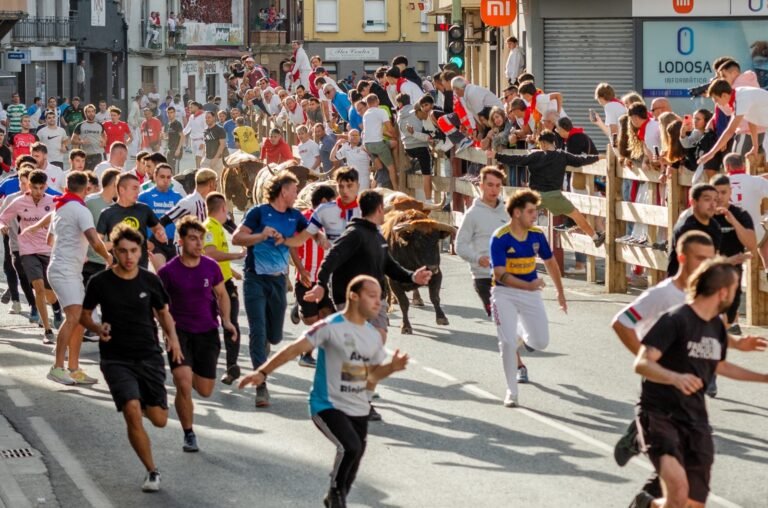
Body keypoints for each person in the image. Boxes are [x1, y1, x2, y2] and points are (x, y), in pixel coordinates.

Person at [240, 275, 409, 508]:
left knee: (356, 455)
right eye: (372, 296)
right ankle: (336, 495)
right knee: (350, 447)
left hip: (358, 407)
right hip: (327, 405)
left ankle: (335, 498)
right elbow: (293, 349)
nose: (378, 302)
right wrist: (263, 372)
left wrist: (390, 368)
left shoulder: (372, 334)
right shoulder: (330, 326)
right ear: (353, 296)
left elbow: (371, 375)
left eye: (380, 297)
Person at [633, 258, 768, 508]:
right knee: (678, 492)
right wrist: (675, 377)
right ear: (723, 291)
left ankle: (647, 504)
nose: (737, 291)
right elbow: (642, 363)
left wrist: (764, 378)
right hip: (660, 415)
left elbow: (719, 365)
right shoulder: (675, 320)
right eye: (737, 285)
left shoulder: (716, 326)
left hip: (695, 420)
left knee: (693, 504)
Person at [304, 190, 432, 421]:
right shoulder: (354, 234)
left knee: (377, 341)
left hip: (376, 301)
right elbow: (331, 258)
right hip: (352, 301)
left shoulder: (376, 236)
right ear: (380, 209)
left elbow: (389, 266)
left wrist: (413, 277)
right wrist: (321, 284)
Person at [80, 224, 182, 493]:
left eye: (133, 251)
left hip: (148, 355)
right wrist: (96, 328)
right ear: (113, 251)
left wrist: (172, 338)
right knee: (131, 410)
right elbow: (84, 315)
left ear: (140, 252)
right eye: (122, 251)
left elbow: (163, 313)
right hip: (115, 357)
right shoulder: (99, 282)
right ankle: (151, 471)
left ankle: (144, 402)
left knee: (159, 419)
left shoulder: (150, 281)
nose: (128, 256)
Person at [232, 170, 312, 408]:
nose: (297, 193)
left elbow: (296, 244)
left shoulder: (294, 216)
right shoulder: (258, 213)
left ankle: (264, 346)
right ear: (283, 191)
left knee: (274, 335)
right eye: (294, 189)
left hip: (278, 280)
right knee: (258, 329)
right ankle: (261, 384)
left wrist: (302, 270)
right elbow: (237, 238)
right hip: (255, 278)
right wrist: (261, 235)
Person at [158, 216, 235, 452]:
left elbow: (221, 295)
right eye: (193, 238)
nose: (199, 243)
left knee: (204, 390)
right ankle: (188, 433)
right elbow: (160, 306)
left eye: (201, 239)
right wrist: (167, 332)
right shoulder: (168, 272)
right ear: (180, 241)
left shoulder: (210, 266)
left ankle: (189, 385)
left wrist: (228, 322)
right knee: (183, 382)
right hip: (179, 333)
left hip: (207, 332)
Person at [490, 189, 567, 407]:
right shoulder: (500, 237)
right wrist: (528, 284)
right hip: (503, 293)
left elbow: (551, 263)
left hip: (530, 294)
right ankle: (511, 392)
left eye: (536, 211)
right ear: (516, 213)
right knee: (505, 343)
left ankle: (519, 336)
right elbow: (500, 274)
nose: (535, 215)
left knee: (541, 342)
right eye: (531, 211)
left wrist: (560, 293)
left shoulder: (537, 235)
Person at [43, 172, 112, 385]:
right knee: (73, 317)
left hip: (64, 268)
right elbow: (93, 239)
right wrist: (109, 257)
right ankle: (57, 368)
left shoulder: (60, 207)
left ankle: (73, 369)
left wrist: (72, 251)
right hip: (64, 270)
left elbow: (49, 240)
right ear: (87, 188)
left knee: (80, 318)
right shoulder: (80, 209)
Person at [494, 130, 605, 247]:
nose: (540, 146)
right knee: (576, 215)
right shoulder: (562, 155)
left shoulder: (535, 155)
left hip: (535, 196)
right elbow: (580, 160)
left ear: (544, 143)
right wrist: (598, 157)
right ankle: (595, 237)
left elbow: (517, 159)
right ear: (553, 142)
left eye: (540, 144)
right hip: (554, 196)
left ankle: (507, 241)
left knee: (518, 216)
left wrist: (497, 156)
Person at [0, 170, 60, 344]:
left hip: (48, 250)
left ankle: (56, 307)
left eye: (42, 188)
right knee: (39, 288)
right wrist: (2, 225)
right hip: (27, 250)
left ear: (46, 186)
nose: (39, 192)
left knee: (49, 292)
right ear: (29, 186)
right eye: (35, 188)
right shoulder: (19, 202)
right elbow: (2, 217)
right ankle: (47, 330)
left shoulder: (52, 201)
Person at [203, 193, 246, 385]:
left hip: (226, 282)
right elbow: (211, 254)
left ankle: (231, 367)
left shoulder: (218, 227)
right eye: (227, 210)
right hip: (212, 286)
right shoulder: (208, 228)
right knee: (214, 325)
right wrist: (237, 256)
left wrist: (233, 272)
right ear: (222, 209)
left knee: (231, 323)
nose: (228, 214)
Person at [97, 173, 167, 269]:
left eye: (138, 188)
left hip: (141, 269)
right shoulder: (107, 213)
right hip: (116, 270)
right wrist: (113, 249)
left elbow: (157, 228)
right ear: (122, 190)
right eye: (134, 188)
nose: (138, 192)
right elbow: (98, 243)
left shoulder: (144, 209)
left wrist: (160, 233)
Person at [699, 79, 768, 165]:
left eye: (716, 100)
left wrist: (711, 153)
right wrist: (755, 146)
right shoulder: (739, 95)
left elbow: (730, 131)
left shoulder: (741, 99)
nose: (717, 103)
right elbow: (752, 120)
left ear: (724, 95)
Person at [667, 184, 723, 277]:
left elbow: (715, 256)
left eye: (715, 200)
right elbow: (691, 263)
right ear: (693, 202)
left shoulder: (714, 225)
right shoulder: (686, 228)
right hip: (684, 282)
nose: (713, 204)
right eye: (707, 199)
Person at [138, 163, 183, 268]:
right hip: (154, 242)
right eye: (162, 177)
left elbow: (184, 221)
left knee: (173, 278)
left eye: (168, 177)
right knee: (162, 273)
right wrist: (145, 241)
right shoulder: (144, 196)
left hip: (172, 242)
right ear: (155, 177)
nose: (165, 180)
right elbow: (135, 221)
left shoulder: (178, 197)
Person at [362, 94, 397, 189]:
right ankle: (396, 189)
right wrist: (396, 136)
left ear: (367, 104)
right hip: (378, 144)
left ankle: (373, 187)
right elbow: (389, 128)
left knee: (380, 168)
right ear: (377, 101)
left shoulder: (366, 114)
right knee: (391, 168)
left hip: (368, 145)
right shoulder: (382, 111)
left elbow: (381, 131)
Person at [71, 104, 106, 170]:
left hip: (98, 154)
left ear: (95, 113)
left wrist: (104, 142)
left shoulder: (100, 125)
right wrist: (81, 142)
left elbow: (104, 135)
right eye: (89, 112)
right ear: (85, 113)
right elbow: (73, 140)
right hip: (86, 155)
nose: (91, 113)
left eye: (92, 111)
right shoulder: (80, 125)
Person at [201, 111, 226, 177]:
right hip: (206, 159)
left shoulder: (220, 129)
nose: (207, 119)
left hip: (217, 160)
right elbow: (205, 144)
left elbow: (222, 145)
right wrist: (203, 157)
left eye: (209, 117)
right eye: (206, 118)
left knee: (217, 180)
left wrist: (215, 159)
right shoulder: (205, 130)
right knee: (203, 179)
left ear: (214, 118)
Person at [183, 101, 207, 169]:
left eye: (191, 107)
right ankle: (199, 171)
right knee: (197, 159)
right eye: (189, 107)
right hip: (192, 141)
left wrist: (203, 142)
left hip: (200, 140)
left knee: (198, 158)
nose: (189, 109)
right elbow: (187, 128)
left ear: (197, 107)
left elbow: (206, 129)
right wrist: (180, 135)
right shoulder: (191, 116)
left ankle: (198, 172)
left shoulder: (203, 115)